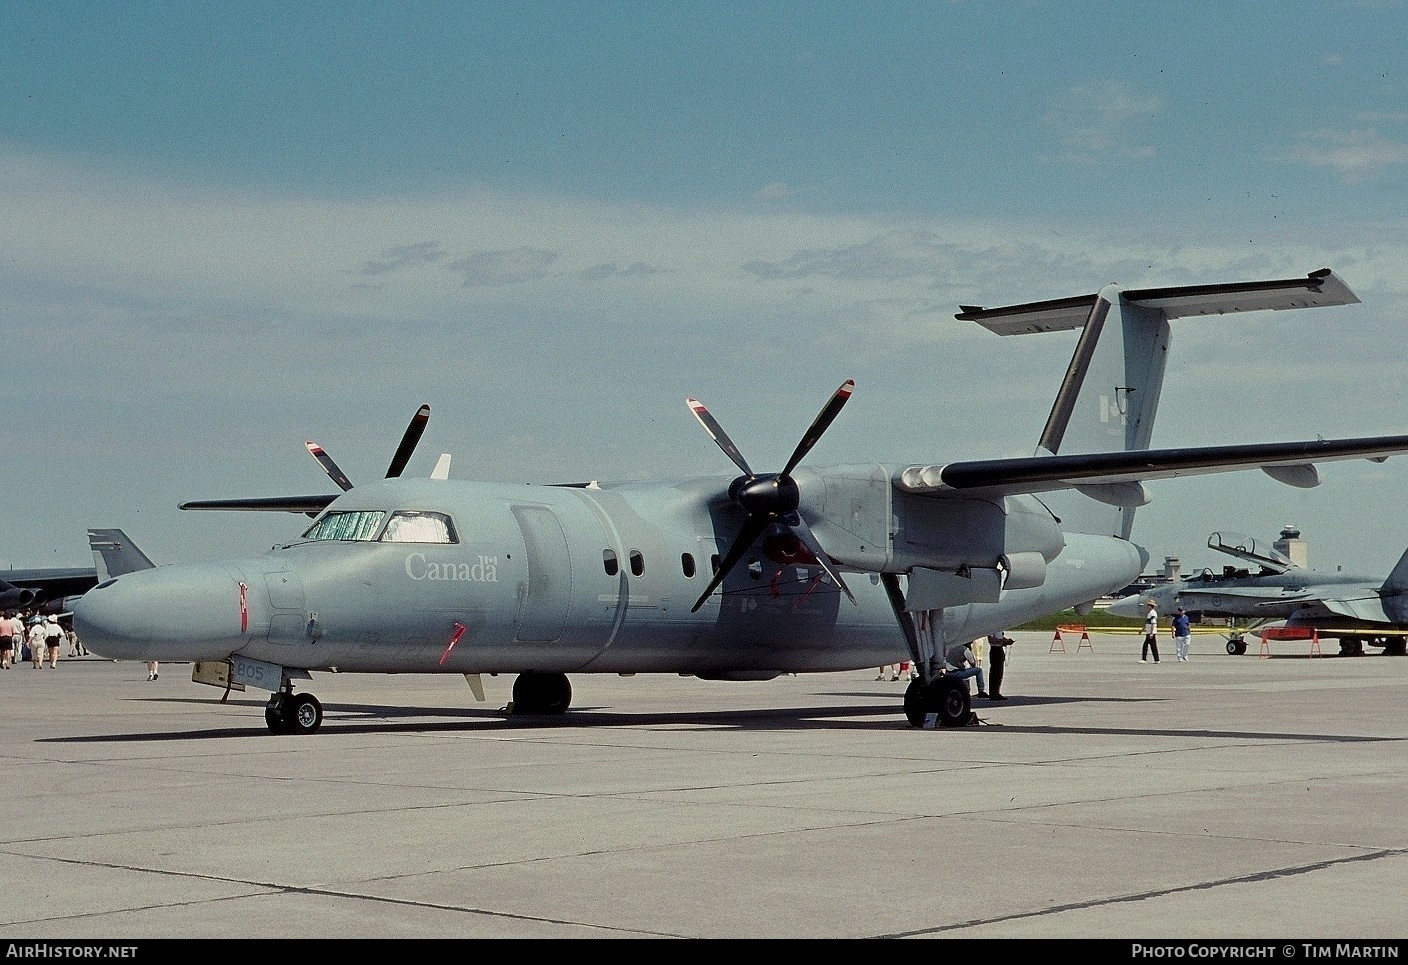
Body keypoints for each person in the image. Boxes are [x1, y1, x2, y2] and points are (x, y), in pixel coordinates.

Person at [986, 631, 1014, 700]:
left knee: (999, 673)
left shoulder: (999, 630)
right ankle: (993, 693)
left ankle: (996, 691)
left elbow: (998, 639)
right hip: (995, 650)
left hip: (999, 649)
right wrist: (1002, 640)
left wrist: (1006, 641)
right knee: (995, 672)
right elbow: (991, 640)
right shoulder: (993, 629)